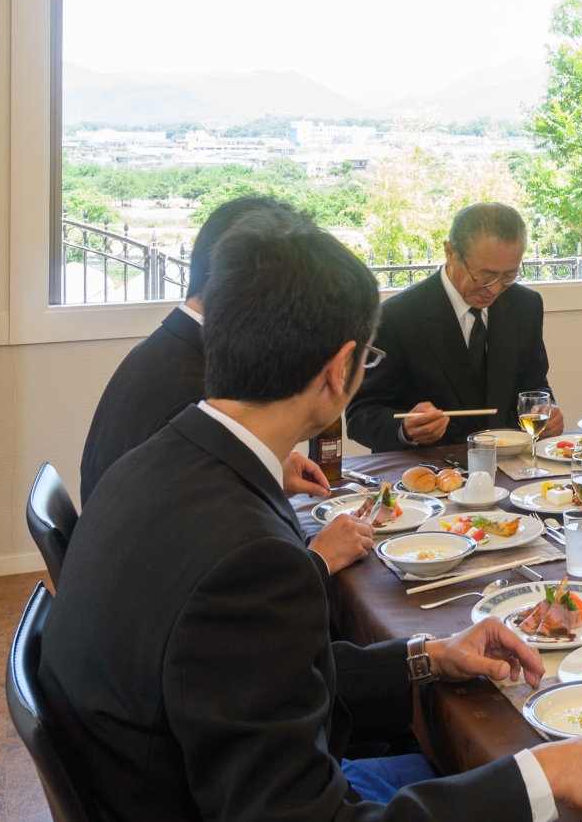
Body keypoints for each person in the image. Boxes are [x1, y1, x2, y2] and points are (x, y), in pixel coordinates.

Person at [41, 210, 582, 822]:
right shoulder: (248, 562)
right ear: (340, 368)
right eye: (366, 361)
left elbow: (250, 679)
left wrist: (428, 655)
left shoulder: (156, 461)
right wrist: (546, 775)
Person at [76, 195, 372, 571]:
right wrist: (313, 562)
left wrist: (262, 465)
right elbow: (208, 561)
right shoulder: (192, 393)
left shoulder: (168, 348)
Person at [345, 202, 562, 451]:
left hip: (508, 465)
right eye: (484, 275)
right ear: (451, 253)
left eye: (508, 275)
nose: (494, 288)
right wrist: (405, 429)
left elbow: (534, 384)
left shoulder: (526, 305)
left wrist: (546, 409)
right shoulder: (397, 316)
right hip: (430, 471)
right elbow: (360, 414)